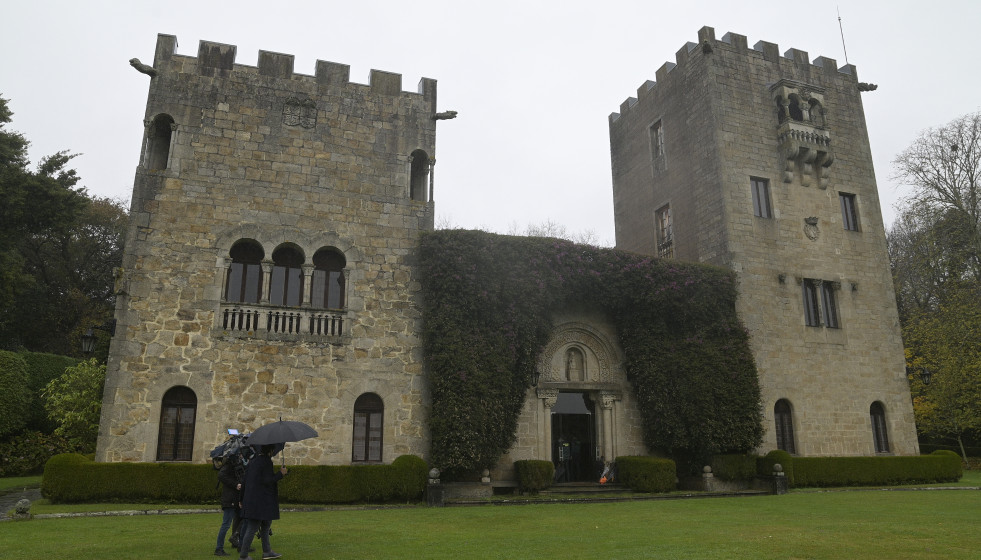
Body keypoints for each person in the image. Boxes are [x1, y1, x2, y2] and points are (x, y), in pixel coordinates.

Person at [238, 444, 287, 560]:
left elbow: (244, 481)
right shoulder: (266, 462)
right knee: (252, 527)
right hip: (261, 502)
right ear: (271, 450)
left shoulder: (252, 462)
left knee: (265, 525)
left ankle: (267, 551)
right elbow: (268, 481)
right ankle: (243, 555)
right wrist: (281, 474)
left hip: (255, 501)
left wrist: (241, 499)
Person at [215, 456, 243, 556]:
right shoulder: (228, 465)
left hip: (234, 499)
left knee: (241, 519)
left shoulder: (235, 465)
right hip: (229, 500)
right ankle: (219, 549)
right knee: (226, 524)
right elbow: (221, 475)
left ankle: (238, 543)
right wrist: (236, 484)